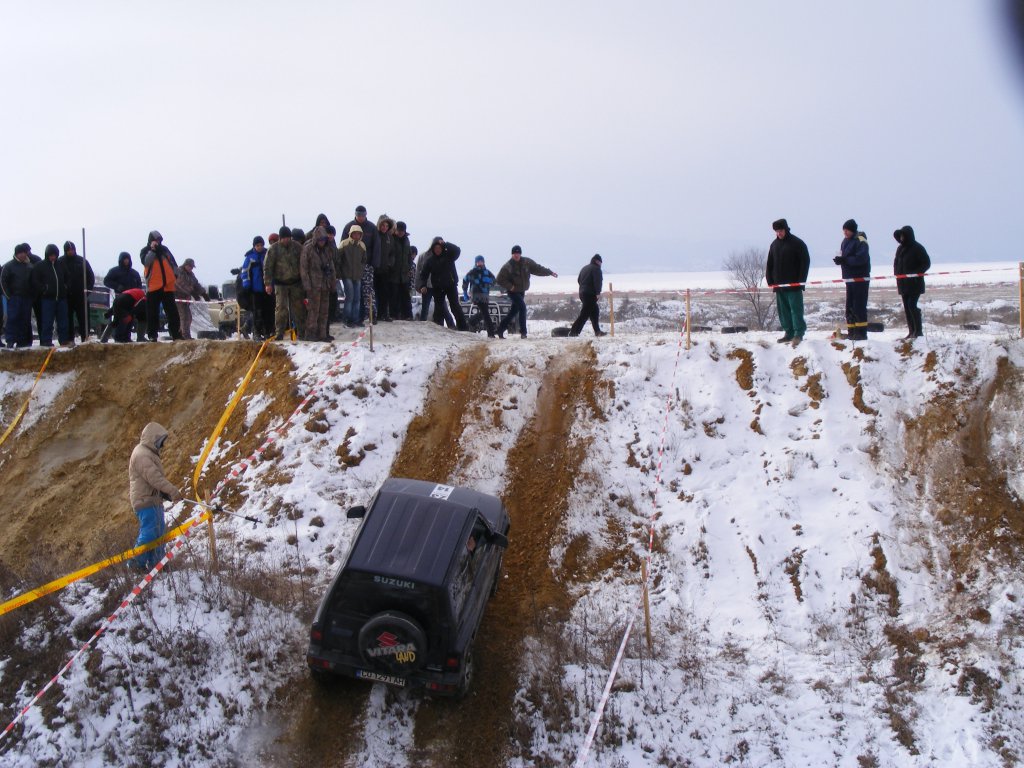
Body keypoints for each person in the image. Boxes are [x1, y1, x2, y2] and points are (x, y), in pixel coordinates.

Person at [128, 422, 182, 571]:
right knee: (150, 533)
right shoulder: (141, 454)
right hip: (145, 501)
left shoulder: (147, 453)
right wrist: (172, 491)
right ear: (154, 438)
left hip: (152, 500)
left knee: (158, 533)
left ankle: (157, 564)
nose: (162, 445)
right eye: (161, 441)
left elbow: (153, 480)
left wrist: (163, 493)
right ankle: (135, 563)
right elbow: (155, 478)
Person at [495, 245, 558, 339]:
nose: (516, 255)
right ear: (512, 254)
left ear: (520, 254)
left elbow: (538, 269)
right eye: (514, 253)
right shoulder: (508, 266)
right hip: (513, 292)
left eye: (518, 253)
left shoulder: (526, 262)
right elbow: (499, 279)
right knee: (523, 308)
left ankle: (500, 329)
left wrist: (550, 272)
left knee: (513, 312)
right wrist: (510, 287)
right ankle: (523, 332)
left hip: (521, 291)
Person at [765, 219, 810, 345]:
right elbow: (770, 263)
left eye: (780, 231)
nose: (779, 233)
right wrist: (770, 280)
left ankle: (798, 334)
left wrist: (801, 281)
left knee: (796, 310)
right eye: (777, 231)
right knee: (783, 312)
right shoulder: (774, 245)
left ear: (786, 229)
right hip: (779, 286)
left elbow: (805, 262)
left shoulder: (797, 243)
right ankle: (788, 333)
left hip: (794, 285)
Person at [264, 226, 305, 340]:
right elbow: (268, 267)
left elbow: (304, 263)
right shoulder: (273, 249)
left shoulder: (297, 247)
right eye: (284, 238)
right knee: (281, 309)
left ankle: (301, 332)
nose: (286, 240)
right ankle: (279, 333)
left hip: (296, 283)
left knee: (299, 308)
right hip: (280, 284)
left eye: (288, 238)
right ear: (280, 238)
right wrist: (268, 284)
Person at [418, 237, 468, 330]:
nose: (437, 250)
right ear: (433, 249)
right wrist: (423, 285)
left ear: (442, 248)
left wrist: (446, 244)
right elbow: (423, 274)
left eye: (439, 248)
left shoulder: (449, 256)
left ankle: (463, 328)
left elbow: (457, 250)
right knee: (439, 308)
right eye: (435, 248)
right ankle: (439, 328)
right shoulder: (430, 260)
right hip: (438, 287)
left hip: (451, 285)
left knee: (455, 307)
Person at [834, 219, 871, 341]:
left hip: (860, 278)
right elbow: (845, 257)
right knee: (849, 306)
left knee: (858, 305)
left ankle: (860, 333)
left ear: (852, 230)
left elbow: (861, 259)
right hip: (849, 278)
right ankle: (852, 331)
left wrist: (845, 260)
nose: (844, 232)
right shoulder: (845, 241)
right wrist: (840, 260)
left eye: (847, 230)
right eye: (843, 230)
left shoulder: (861, 240)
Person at [142, 231, 182, 341]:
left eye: (160, 240)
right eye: (156, 240)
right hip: (153, 287)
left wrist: (175, 275)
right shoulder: (145, 251)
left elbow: (173, 263)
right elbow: (146, 262)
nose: (158, 242)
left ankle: (176, 334)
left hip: (168, 287)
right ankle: (152, 336)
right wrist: (152, 250)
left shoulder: (165, 250)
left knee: (173, 313)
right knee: (152, 313)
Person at [342, 206, 379, 324]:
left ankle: (368, 316)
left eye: (363, 215)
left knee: (367, 292)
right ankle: (350, 318)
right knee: (352, 295)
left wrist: (374, 264)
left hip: (366, 266)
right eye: (359, 215)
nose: (361, 217)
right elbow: (341, 248)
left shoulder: (372, 228)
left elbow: (377, 247)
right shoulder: (348, 226)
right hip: (349, 268)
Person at [31, 244, 72, 347]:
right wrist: (44, 289)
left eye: (54, 255)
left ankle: (63, 340)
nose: (53, 257)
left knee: (63, 321)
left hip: (61, 298)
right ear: (47, 255)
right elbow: (34, 281)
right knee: (47, 321)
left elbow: (68, 277)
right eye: (51, 255)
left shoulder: (61, 264)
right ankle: (46, 341)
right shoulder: (40, 266)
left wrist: (65, 287)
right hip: (47, 299)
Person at [893, 225, 930, 339]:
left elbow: (926, 263)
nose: (902, 238)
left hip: (914, 283)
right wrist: (897, 274)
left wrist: (916, 273)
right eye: (901, 236)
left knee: (912, 305)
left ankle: (918, 331)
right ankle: (911, 331)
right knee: (907, 307)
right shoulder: (900, 249)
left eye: (903, 235)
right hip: (903, 284)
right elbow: (896, 262)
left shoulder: (917, 247)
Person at [300, 226, 337, 342]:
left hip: (325, 284)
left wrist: (333, 283)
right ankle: (310, 334)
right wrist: (307, 286)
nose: (322, 242)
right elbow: (304, 269)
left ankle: (323, 334)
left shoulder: (327, 250)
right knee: (313, 311)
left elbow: (331, 267)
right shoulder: (308, 249)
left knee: (324, 311)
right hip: (313, 285)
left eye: (324, 240)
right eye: (320, 240)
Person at [58, 241, 95, 342]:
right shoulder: (60, 262)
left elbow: (90, 277)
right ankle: (70, 338)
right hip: (67, 296)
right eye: (69, 250)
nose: (71, 252)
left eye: (72, 250)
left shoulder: (81, 261)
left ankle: (85, 337)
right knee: (67, 319)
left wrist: (87, 291)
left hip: (81, 296)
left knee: (83, 318)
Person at [1, 244, 36, 348]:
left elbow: (34, 282)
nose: (22, 255)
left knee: (25, 320)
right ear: (16, 254)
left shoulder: (30, 266)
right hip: (14, 297)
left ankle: (22, 341)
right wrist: (8, 296)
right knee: (13, 319)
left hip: (27, 298)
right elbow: (3, 281)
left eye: (24, 253)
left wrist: (32, 296)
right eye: (20, 253)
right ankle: (10, 340)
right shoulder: (9, 266)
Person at [241, 236, 273, 339]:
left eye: (261, 245)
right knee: (257, 312)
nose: (259, 247)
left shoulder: (267, 254)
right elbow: (245, 271)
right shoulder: (250, 257)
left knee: (268, 311)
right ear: (254, 246)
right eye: (257, 245)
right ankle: (256, 332)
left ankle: (267, 331)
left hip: (267, 288)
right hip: (256, 289)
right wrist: (246, 284)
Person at [569, 254, 607, 337]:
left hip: (582, 293)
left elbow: (579, 280)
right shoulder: (596, 269)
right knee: (585, 313)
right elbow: (598, 282)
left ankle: (597, 331)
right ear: (597, 261)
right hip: (590, 294)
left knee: (594, 311)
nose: (601, 264)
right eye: (600, 262)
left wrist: (583, 288)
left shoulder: (584, 268)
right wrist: (598, 293)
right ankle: (574, 332)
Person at [336, 225, 367, 327]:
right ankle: (346, 319)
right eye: (355, 233)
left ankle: (355, 319)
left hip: (357, 276)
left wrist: (361, 270)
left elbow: (364, 260)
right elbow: (338, 259)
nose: (356, 235)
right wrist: (340, 272)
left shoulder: (362, 246)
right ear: (351, 234)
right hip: (347, 275)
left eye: (358, 233)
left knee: (357, 298)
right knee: (350, 297)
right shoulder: (343, 244)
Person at [461, 255, 497, 337]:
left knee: (484, 313)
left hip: (485, 296)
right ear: (476, 262)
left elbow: (494, 281)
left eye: (481, 261)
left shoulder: (487, 272)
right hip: (476, 295)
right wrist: (465, 292)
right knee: (486, 314)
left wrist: (489, 280)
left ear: (484, 262)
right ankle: (491, 334)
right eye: (478, 261)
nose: (480, 263)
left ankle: (471, 321)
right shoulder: (473, 272)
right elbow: (465, 280)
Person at [174, 258, 210, 340]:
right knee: (184, 317)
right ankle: (183, 335)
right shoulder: (179, 272)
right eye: (190, 266)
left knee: (189, 317)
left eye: (192, 267)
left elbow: (196, 284)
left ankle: (186, 335)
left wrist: (203, 293)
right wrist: (192, 292)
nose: (191, 268)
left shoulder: (191, 274)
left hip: (186, 299)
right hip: (178, 298)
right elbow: (180, 284)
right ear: (185, 265)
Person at [374, 215, 396, 322]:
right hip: (374, 269)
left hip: (385, 270)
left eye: (387, 225)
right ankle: (375, 315)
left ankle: (384, 314)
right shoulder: (375, 235)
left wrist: (390, 264)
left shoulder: (390, 238)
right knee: (374, 293)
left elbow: (392, 253)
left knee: (385, 293)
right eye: (382, 225)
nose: (384, 227)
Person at [391, 221, 413, 320]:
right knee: (394, 295)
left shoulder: (407, 240)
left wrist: (409, 266)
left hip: (404, 273)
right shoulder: (392, 239)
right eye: (399, 230)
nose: (400, 232)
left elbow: (409, 256)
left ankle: (408, 315)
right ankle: (394, 315)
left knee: (406, 295)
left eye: (402, 231)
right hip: (394, 273)